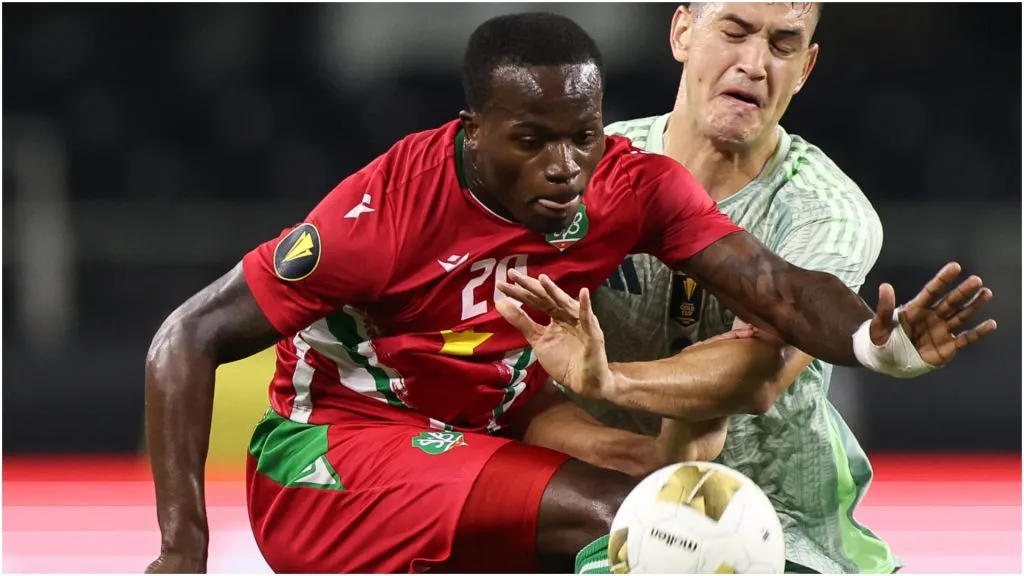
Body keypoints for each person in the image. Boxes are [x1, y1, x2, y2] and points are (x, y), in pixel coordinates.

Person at [144, 11, 995, 576]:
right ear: (472, 134)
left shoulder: (629, 182)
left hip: (483, 425)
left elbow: (774, 292)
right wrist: (182, 550)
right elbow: (184, 338)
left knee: (682, 492)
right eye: (532, 141)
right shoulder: (384, 214)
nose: (563, 168)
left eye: (581, 139)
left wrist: (878, 344)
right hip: (339, 446)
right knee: (648, 526)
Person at [494, 3, 997, 574]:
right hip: (601, 507)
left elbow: (755, 376)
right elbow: (514, 374)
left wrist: (606, 378)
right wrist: (627, 452)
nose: (755, 64)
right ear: (682, 32)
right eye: (734, 32)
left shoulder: (824, 213)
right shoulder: (581, 170)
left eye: (783, 45)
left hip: (777, 526)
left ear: (805, 68)